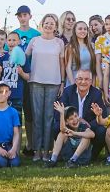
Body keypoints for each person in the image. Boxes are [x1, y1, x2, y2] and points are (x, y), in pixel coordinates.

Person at [26, 12, 65, 162]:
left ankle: (47, 151)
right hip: (35, 81)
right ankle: (37, 150)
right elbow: (24, 58)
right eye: (46, 23)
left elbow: (62, 63)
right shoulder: (34, 41)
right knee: (37, 117)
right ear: (42, 24)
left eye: (52, 23)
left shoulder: (59, 43)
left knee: (49, 117)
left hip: (53, 83)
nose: (49, 25)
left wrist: (62, 81)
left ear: (55, 26)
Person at [54, 68, 106, 158]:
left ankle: (92, 155)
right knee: (55, 127)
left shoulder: (96, 93)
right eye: (80, 79)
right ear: (75, 80)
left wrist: (87, 124)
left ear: (91, 81)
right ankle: (65, 153)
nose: (83, 82)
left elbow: (102, 115)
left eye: (86, 79)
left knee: (101, 130)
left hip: (88, 126)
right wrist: (75, 122)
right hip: (70, 124)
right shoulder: (67, 91)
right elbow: (58, 114)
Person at [11, 5, 39, 154]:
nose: (22, 18)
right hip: (14, 79)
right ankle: (13, 144)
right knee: (15, 112)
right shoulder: (14, 34)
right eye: (20, 15)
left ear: (30, 16)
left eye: (25, 15)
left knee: (29, 113)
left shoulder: (36, 34)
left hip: (30, 75)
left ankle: (30, 143)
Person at [47, 103, 94, 168]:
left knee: (86, 137)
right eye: (71, 119)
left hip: (82, 157)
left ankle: (73, 160)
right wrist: (62, 113)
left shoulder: (83, 125)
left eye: (76, 116)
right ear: (66, 122)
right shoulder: (67, 128)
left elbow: (92, 134)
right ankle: (53, 160)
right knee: (62, 134)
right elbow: (62, 129)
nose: (75, 120)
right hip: (68, 156)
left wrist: (74, 133)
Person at [65, 20, 99, 85]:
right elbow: (68, 68)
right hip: (74, 82)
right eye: (80, 29)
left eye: (85, 29)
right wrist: (73, 85)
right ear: (75, 31)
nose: (83, 31)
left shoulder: (92, 46)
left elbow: (94, 67)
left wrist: (93, 84)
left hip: (88, 83)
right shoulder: (71, 47)